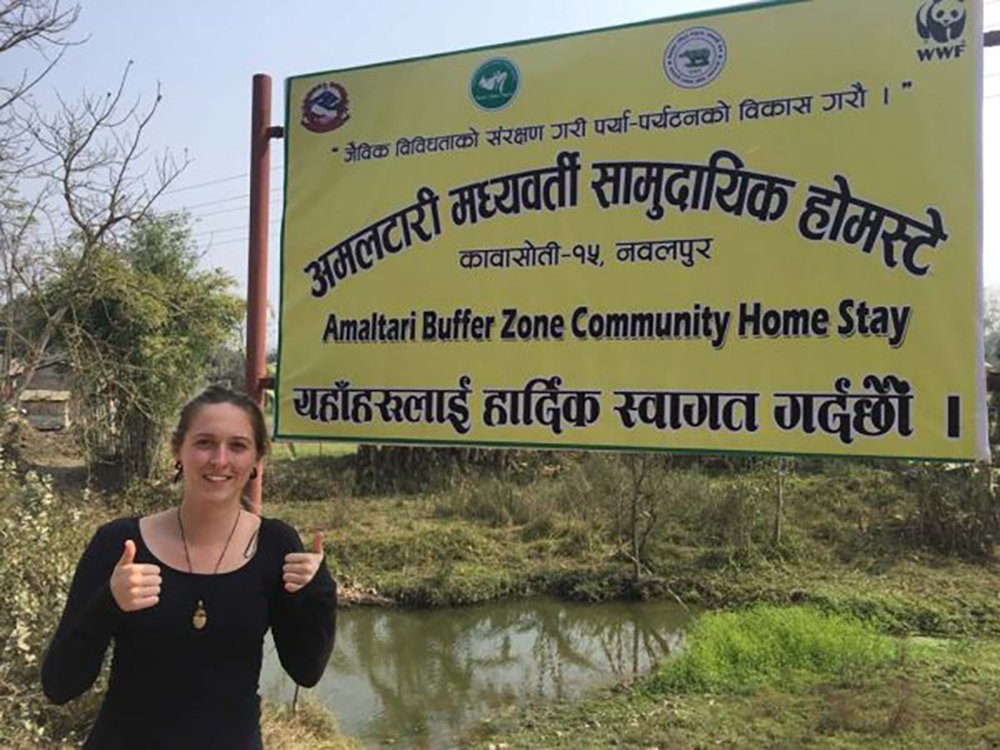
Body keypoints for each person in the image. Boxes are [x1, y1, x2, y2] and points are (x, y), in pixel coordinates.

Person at [42, 385, 337, 749]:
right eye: (205, 443)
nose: (219, 459)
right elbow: (59, 684)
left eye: (238, 446)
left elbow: (306, 670)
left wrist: (319, 591)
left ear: (257, 458)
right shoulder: (120, 544)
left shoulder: (275, 544)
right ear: (177, 450)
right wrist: (109, 603)